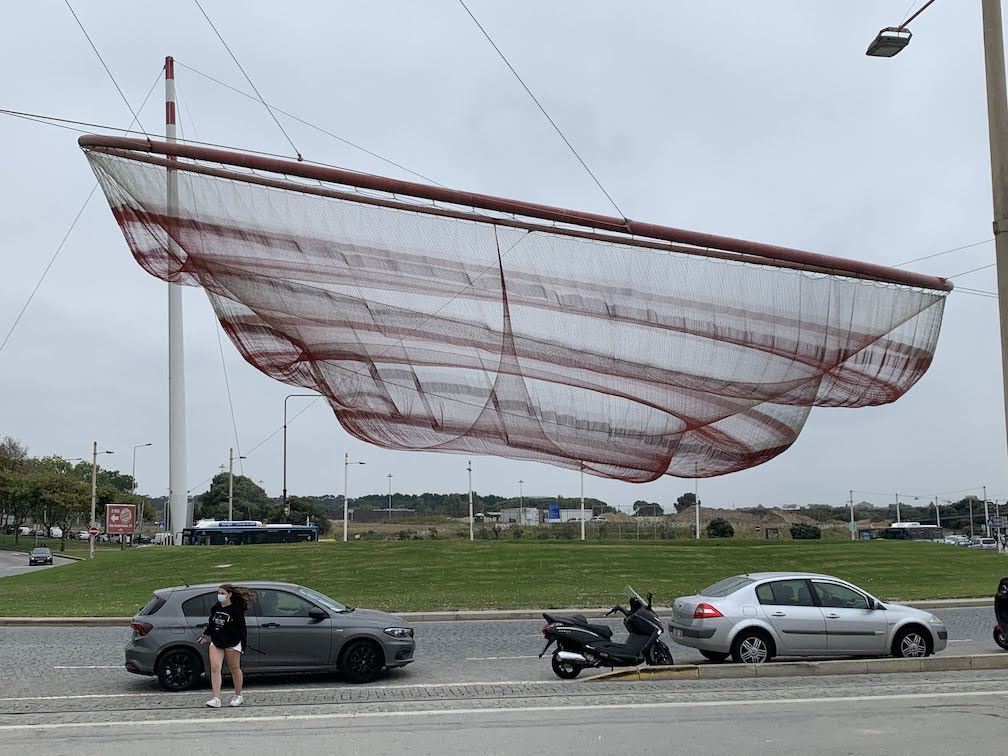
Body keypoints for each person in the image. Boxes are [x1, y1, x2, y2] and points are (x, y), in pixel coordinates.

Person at [199, 583, 254, 708]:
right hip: (217, 640)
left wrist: (243, 645)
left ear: (229, 595)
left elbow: (242, 629)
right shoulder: (216, 608)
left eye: (222, 593)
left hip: (232, 641)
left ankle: (238, 695)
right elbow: (212, 623)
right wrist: (205, 635)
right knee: (215, 667)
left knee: (234, 668)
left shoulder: (236, 610)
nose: (220, 596)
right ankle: (216, 698)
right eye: (219, 593)